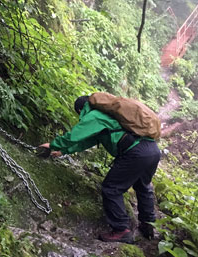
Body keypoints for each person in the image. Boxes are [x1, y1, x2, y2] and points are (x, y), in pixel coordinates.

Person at [39, 96, 160, 243]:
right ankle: (148, 225)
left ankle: (121, 229)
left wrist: (53, 145)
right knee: (142, 186)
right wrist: (63, 151)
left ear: (81, 109)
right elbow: (87, 141)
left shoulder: (95, 116)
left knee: (111, 188)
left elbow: (76, 135)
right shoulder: (110, 117)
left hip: (136, 152)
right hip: (152, 150)